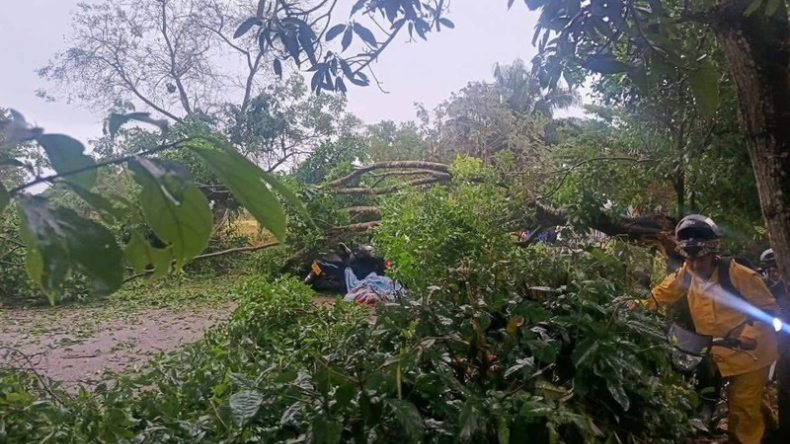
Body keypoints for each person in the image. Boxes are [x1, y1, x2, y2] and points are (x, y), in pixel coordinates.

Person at [641, 215, 779, 444]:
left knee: (743, 406)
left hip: (753, 352)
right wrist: (635, 307)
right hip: (717, 350)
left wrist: (748, 338)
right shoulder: (687, 273)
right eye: (690, 261)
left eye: (701, 261)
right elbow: (661, 294)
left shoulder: (737, 273)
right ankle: (768, 431)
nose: (695, 267)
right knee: (742, 400)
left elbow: (767, 309)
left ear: (713, 255)